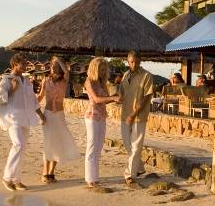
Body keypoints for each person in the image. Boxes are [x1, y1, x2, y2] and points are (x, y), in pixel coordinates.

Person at [0, 53, 45, 192]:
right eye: (23, 63)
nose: (26, 65)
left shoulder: (26, 80)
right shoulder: (7, 79)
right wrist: (12, 89)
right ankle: (7, 178)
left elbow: (32, 100)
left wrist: (41, 115)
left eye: (26, 63)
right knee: (18, 144)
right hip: (12, 117)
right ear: (15, 65)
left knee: (23, 147)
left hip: (25, 117)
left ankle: (16, 180)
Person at [37, 57, 81, 184]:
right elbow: (40, 96)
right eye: (52, 65)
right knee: (48, 143)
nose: (54, 67)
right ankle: (45, 173)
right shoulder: (46, 81)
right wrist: (32, 106)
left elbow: (67, 72)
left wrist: (59, 60)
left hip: (60, 116)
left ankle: (51, 173)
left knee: (58, 143)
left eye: (57, 66)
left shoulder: (64, 80)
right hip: (48, 115)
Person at [82, 57, 120, 189]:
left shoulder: (102, 82)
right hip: (92, 116)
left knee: (98, 148)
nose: (103, 72)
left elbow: (105, 100)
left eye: (105, 69)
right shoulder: (89, 81)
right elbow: (97, 99)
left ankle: (95, 177)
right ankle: (89, 178)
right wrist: (113, 97)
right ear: (94, 68)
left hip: (102, 116)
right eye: (101, 69)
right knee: (92, 146)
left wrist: (115, 99)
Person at [118, 50, 154, 187]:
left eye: (137, 61)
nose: (134, 64)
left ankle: (129, 175)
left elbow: (147, 97)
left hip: (139, 116)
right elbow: (122, 91)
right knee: (128, 145)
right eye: (132, 61)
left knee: (136, 145)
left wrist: (134, 114)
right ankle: (139, 168)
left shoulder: (146, 76)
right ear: (128, 61)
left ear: (140, 61)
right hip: (125, 114)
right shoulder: (126, 75)